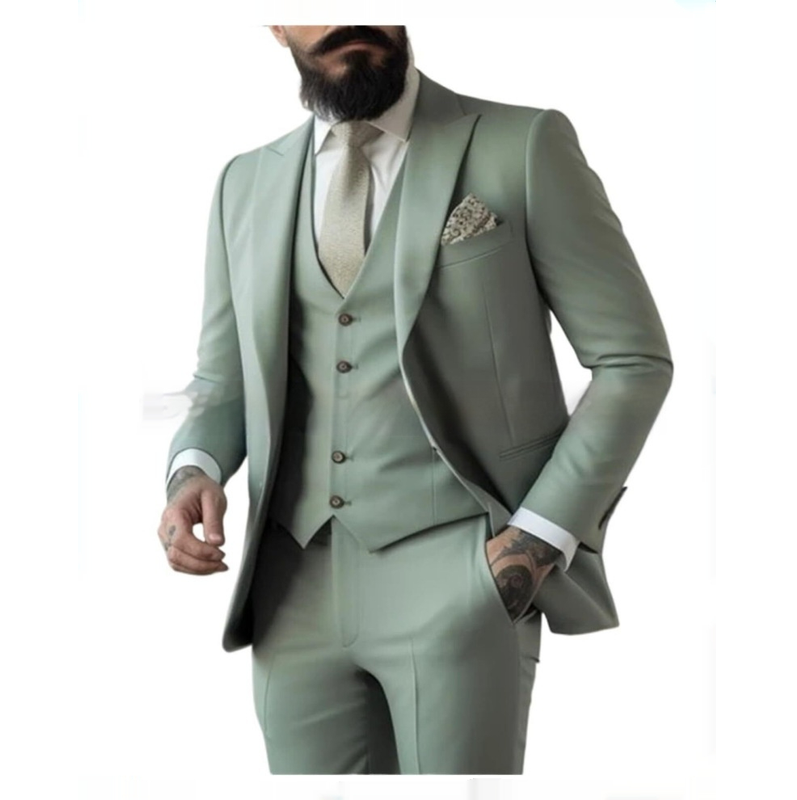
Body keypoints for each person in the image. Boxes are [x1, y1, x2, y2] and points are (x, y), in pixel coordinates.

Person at [157, 25, 673, 775]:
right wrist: (192, 470)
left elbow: (632, 360)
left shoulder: (522, 144)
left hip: (462, 575)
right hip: (291, 589)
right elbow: (222, 376)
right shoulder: (245, 182)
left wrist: (533, 544)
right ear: (274, 23)